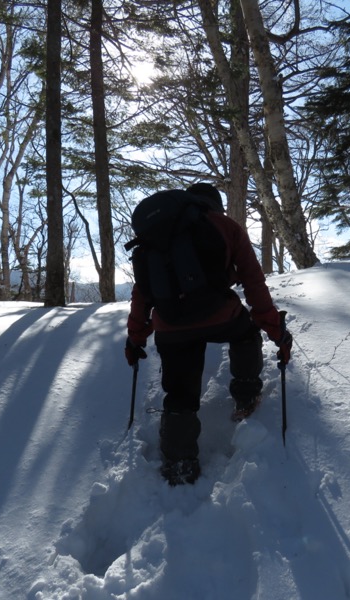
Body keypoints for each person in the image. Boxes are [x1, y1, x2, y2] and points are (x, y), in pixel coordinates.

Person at [124, 183, 292, 486]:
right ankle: (245, 396)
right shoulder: (224, 225)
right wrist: (274, 329)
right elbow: (254, 283)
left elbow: (142, 293)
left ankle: (179, 464)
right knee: (245, 333)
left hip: (170, 326)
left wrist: (136, 337)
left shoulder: (156, 236)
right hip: (219, 315)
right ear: (214, 204)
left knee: (179, 394)